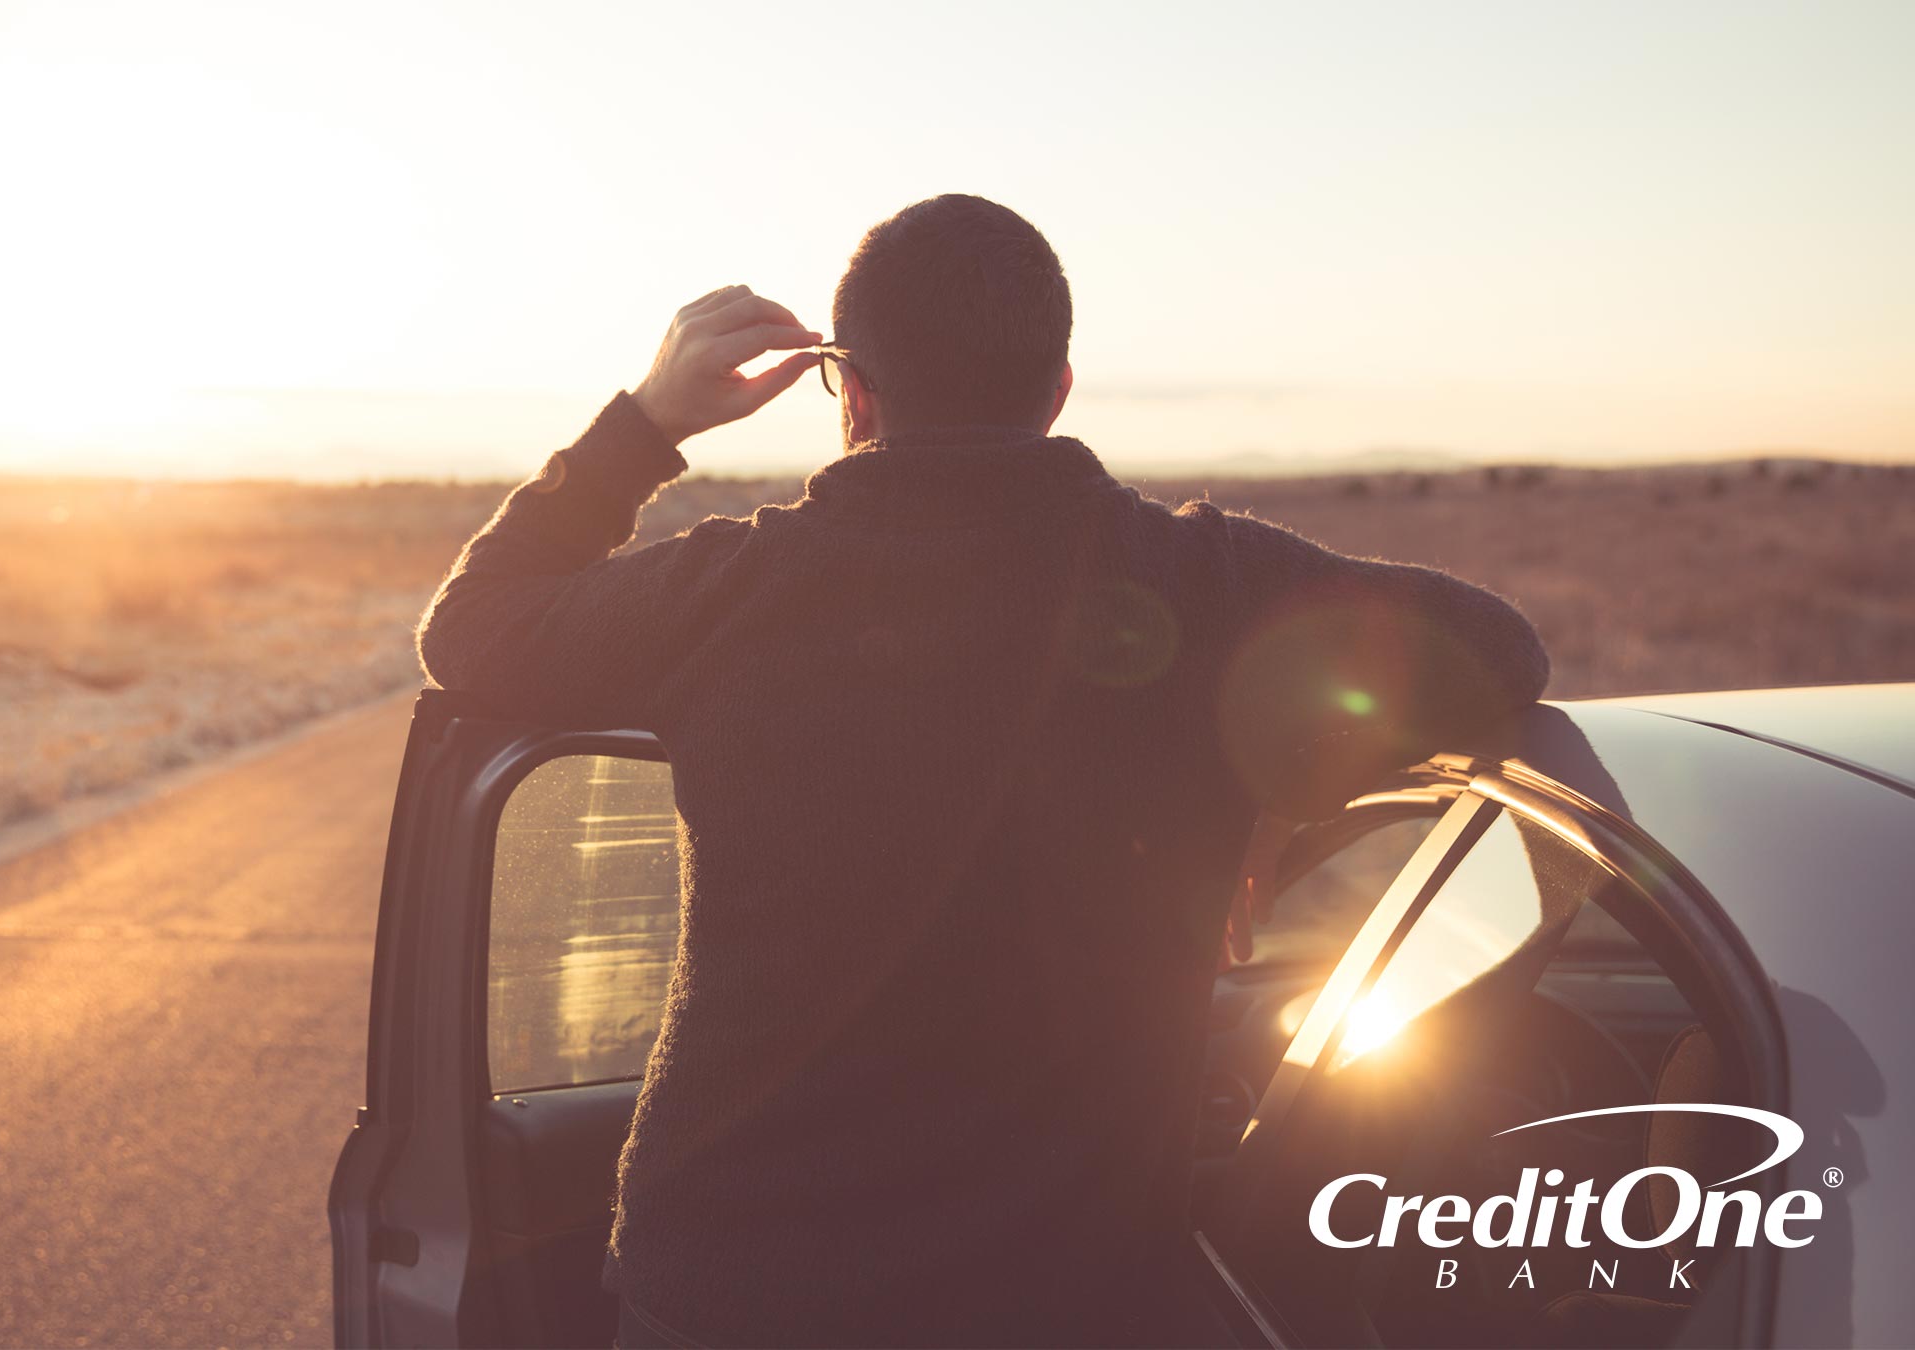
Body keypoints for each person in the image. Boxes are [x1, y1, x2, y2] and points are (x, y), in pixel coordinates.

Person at [417, 194, 1548, 1347]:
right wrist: (1274, 786)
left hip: (730, 1287)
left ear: (848, 391)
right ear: (1058, 387)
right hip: (1059, 1302)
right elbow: (1501, 652)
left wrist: (648, 422)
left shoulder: (729, 593)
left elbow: (469, 631)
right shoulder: (1210, 587)